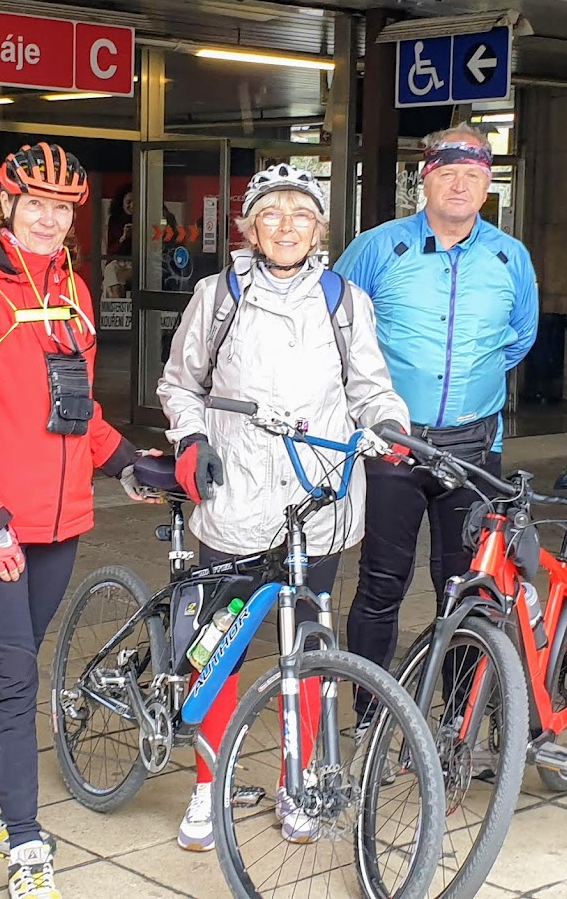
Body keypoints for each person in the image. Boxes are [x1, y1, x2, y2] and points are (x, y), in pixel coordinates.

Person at [0, 143, 158, 899]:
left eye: (62, 208)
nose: (50, 220)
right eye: (36, 205)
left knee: (9, 662)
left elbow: (77, 407)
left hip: (59, 523)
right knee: (14, 673)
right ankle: (25, 840)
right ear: (7, 206)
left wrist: (128, 462)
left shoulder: (75, 294)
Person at [157, 163, 409, 852]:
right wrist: (192, 437)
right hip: (236, 498)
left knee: (308, 648)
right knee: (221, 650)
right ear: (250, 227)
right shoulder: (216, 296)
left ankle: (296, 785)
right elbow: (179, 383)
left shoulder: (345, 300)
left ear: (320, 228)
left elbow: (371, 388)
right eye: (272, 213)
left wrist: (389, 425)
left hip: (316, 501)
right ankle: (207, 787)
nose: (287, 226)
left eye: (302, 214)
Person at [335, 122, 538, 727]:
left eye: (473, 175)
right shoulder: (378, 247)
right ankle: (371, 714)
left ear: (487, 185)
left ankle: (457, 722)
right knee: (381, 582)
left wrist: (468, 383)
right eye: (447, 173)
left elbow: (518, 338)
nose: (459, 185)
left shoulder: (510, 256)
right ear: (423, 179)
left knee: (468, 587)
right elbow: (336, 327)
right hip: (395, 445)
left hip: (474, 449)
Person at [106, 184, 133, 257]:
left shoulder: (147, 219)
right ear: (121, 202)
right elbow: (110, 251)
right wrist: (123, 238)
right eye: (128, 202)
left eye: (136, 202)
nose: (132, 206)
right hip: (119, 260)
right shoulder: (114, 220)